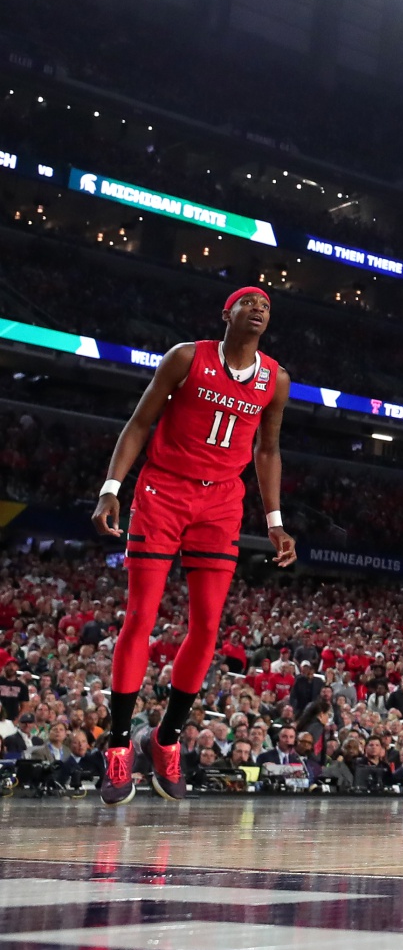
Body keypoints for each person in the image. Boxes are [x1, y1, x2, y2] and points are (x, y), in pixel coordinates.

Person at [90, 286, 296, 806]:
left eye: (266, 306)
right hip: (163, 490)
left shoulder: (276, 380)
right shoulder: (187, 357)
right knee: (141, 615)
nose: (259, 308)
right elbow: (139, 423)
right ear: (226, 313)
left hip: (223, 502)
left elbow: (267, 449)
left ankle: (165, 740)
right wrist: (111, 489)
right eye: (249, 302)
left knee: (207, 626)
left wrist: (274, 520)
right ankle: (117, 746)